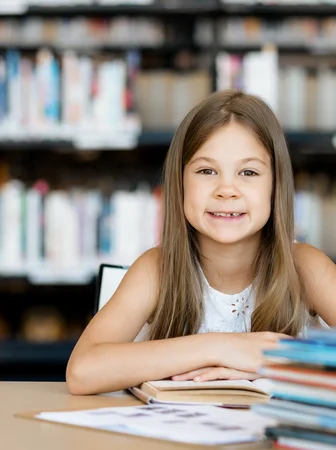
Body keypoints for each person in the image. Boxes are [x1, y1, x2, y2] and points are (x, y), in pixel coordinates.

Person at [66, 89, 336, 395]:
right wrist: (223, 347)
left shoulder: (306, 267)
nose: (226, 189)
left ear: (276, 186)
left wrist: (281, 361)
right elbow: (82, 371)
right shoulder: (156, 269)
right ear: (180, 183)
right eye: (207, 171)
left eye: (248, 172)